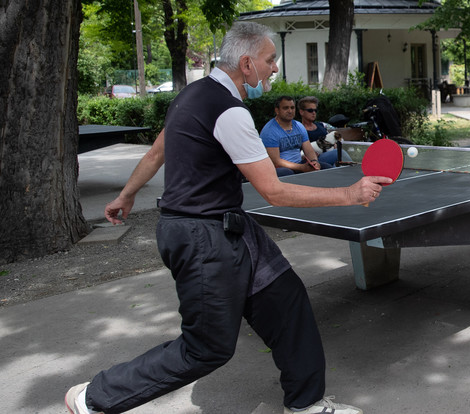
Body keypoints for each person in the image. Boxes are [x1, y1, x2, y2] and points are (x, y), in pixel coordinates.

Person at [65, 21, 389, 414]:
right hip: (203, 237)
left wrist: (126, 195)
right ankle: (94, 397)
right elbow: (273, 190)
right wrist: (350, 194)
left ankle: (306, 404)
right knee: (207, 348)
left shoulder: (192, 96)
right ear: (247, 63)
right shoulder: (229, 111)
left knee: (287, 300)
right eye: (271, 60)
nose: (274, 68)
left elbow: (156, 153)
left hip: (228, 226)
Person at [261, 96, 332, 176]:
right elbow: (276, 161)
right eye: (285, 108)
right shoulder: (270, 131)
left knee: (326, 168)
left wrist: (314, 162)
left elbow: (309, 150)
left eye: (292, 108)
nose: (290, 111)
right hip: (280, 169)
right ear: (277, 110)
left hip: (299, 164)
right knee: (287, 173)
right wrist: (301, 167)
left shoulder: (299, 126)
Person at [297, 96, 351, 165]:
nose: (314, 113)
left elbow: (330, 140)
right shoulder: (299, 130)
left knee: (338, 155)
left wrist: (335, 144)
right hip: (314, 160)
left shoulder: (321, 125)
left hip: (329, 156)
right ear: (301, 112)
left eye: (315, 110)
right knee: (338, 153)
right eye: (310, 110)